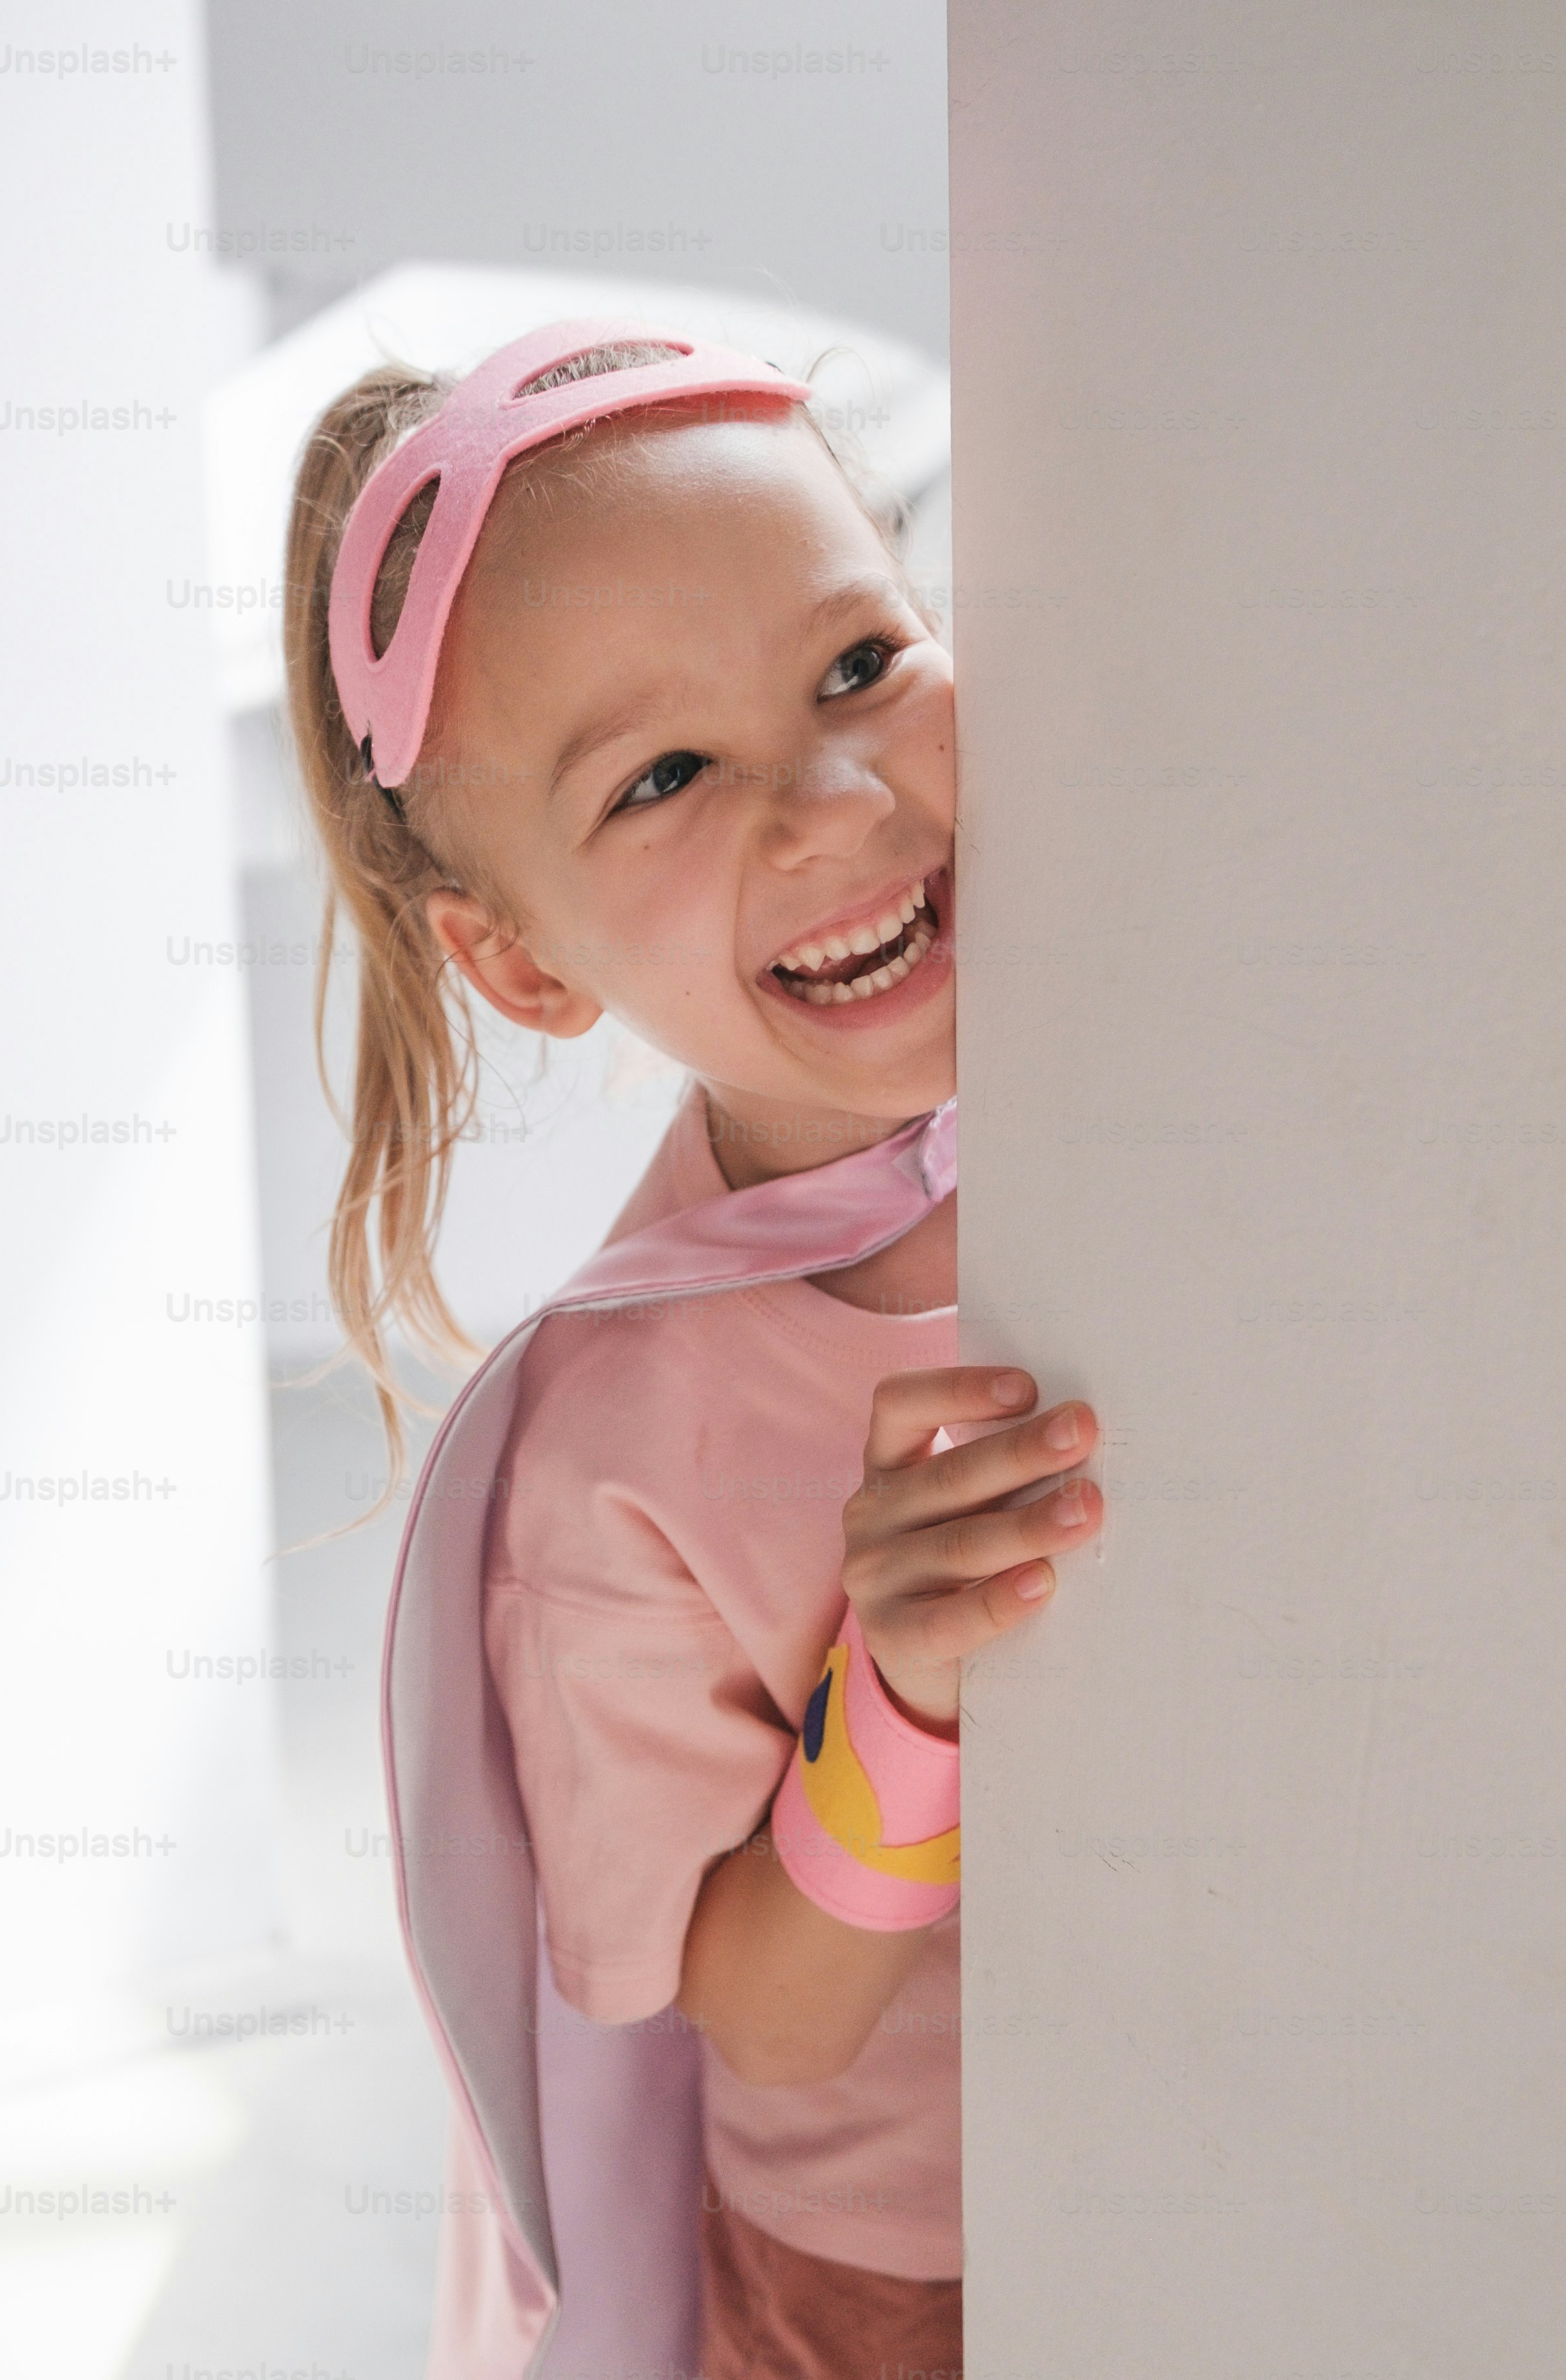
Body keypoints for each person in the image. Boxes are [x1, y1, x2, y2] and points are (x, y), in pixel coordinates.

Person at [280, 322, 1108, 2379]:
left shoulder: (1159, 1101)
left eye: (856, 667)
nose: (833, 802)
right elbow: (765, 2004)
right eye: (663, 776)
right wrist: (896, 1684)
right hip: (900, 2288)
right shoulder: (617, 1454)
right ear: (520, 959)